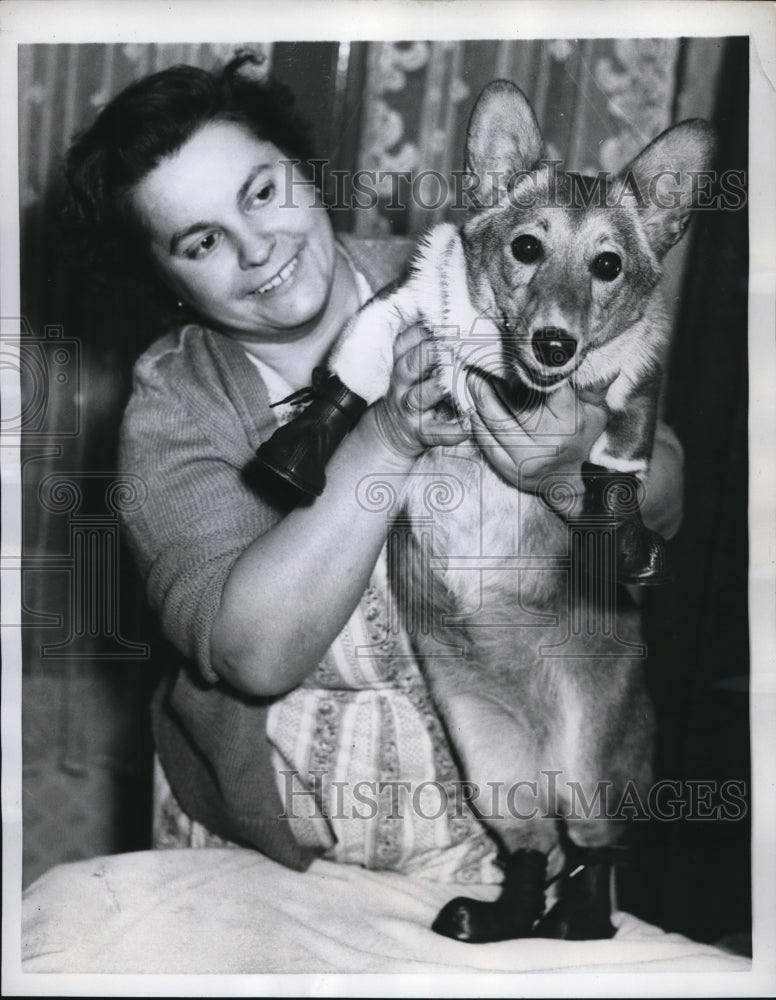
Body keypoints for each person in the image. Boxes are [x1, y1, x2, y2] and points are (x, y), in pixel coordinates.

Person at [63, 54, 684, 884]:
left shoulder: (469, 272)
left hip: (493, 838)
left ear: (306, 173)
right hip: (275, 858)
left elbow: (668, 486)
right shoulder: (173, 407)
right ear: (161, 277)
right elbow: (252, 654)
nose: (257, 251)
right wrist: (385, 439)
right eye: (201, 241)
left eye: (261, 192)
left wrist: (571, 474)